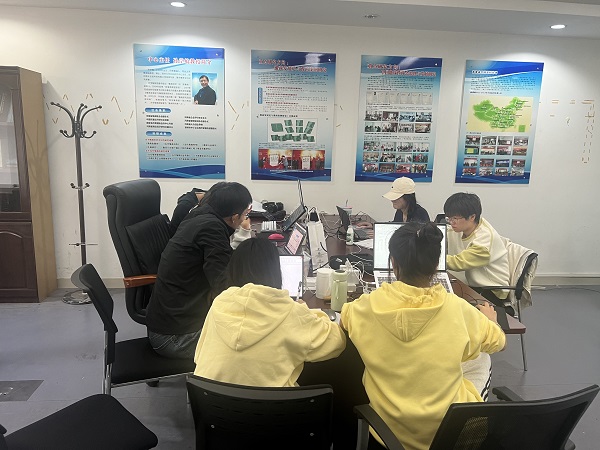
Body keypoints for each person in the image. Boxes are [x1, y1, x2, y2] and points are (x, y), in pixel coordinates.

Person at [341, 222, 505, 450]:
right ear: (437, 265)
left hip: (388, 431)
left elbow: (344, 321)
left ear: (393, 263)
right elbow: (498, 342)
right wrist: (491, 321)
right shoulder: (458, 308)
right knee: (482, 358)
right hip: (448, 431)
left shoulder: (365, 307)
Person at [194, 238, 346, 386]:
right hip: (273, 403)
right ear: (275, 272)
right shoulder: (289, 311)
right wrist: (306, 311)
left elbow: (198, 355)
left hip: (208, 400)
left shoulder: (220, 303)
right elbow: (337, 341)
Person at [146, 182, 252, 359]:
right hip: (174, 337)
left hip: (169, 322)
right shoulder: (212, 229)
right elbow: (224, 287)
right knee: (258, 339)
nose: (244, 219)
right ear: (234, 217)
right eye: (244, 215)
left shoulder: (198, 215)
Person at [443, 192, 511, 312]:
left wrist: (430, 257)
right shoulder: (463, 227)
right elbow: (444, 233)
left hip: (490, 291)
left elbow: (458, 263)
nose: (451, 222)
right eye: (449, 218)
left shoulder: (484, 240)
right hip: (471, 284)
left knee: (448, 307)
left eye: (455, 219)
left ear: (472, 217)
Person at [169, 187, 252, 249]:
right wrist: (244, 232)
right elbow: (232, 260)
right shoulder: (212, 227)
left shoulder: (198, 214)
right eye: (245, 214)